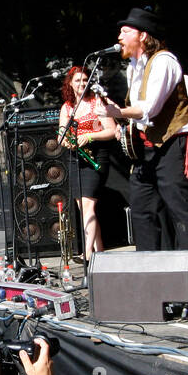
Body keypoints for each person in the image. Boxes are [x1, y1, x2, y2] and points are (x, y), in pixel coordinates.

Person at [105, 8, 188, 275]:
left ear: (142, 35)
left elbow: (149, 108)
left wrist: (118, 112)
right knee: (142, 210)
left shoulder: (164, 62)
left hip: (170, 146)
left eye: (125, 31)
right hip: (147, 150)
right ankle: (150, 274)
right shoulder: (133, 67)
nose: (119, 36)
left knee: (180, 210)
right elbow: (140, 116)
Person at [57, 66, 118, 260]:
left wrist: (90, 136)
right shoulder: (67, 107)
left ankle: (88, 253)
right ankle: (100, 252)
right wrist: (65, 140)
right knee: (83, 208)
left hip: (95, 158)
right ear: (70, 84)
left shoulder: (96, 102)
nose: (82, 84)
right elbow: (60, 134)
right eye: (78, 81)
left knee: (88, 206)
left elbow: (111, 130)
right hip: (75, 159)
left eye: (85, 80)